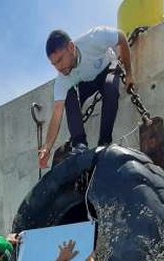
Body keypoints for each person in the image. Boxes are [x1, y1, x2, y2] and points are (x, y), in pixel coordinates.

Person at [38, 27, 134, 169]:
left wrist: (130, 73)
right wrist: (47, 147)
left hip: (107, 68)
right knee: (68, 95)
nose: (59, 68)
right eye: (54, 64)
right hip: (86, 82)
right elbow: (57, 114)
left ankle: (104, 143)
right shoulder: (62, 79)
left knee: (110, 87)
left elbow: (122, 38)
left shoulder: (95, 38)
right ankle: (79, 144)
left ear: (71, 47)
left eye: (60, 60)